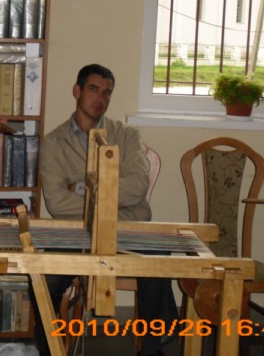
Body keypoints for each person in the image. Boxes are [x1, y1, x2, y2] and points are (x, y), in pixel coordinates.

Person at [38, 64, 177, 356]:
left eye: (107, 92)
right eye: (93, 89)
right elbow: (57, 203)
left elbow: (137, 187)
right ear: (77, 91)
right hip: (78, 233)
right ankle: (48, 350)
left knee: (157, 262)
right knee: (45, 276)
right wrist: (114, 196)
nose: (100, 98)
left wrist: (80, 187)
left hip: (127, 229)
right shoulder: (53, 142)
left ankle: (152, 349)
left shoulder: (126, 135)